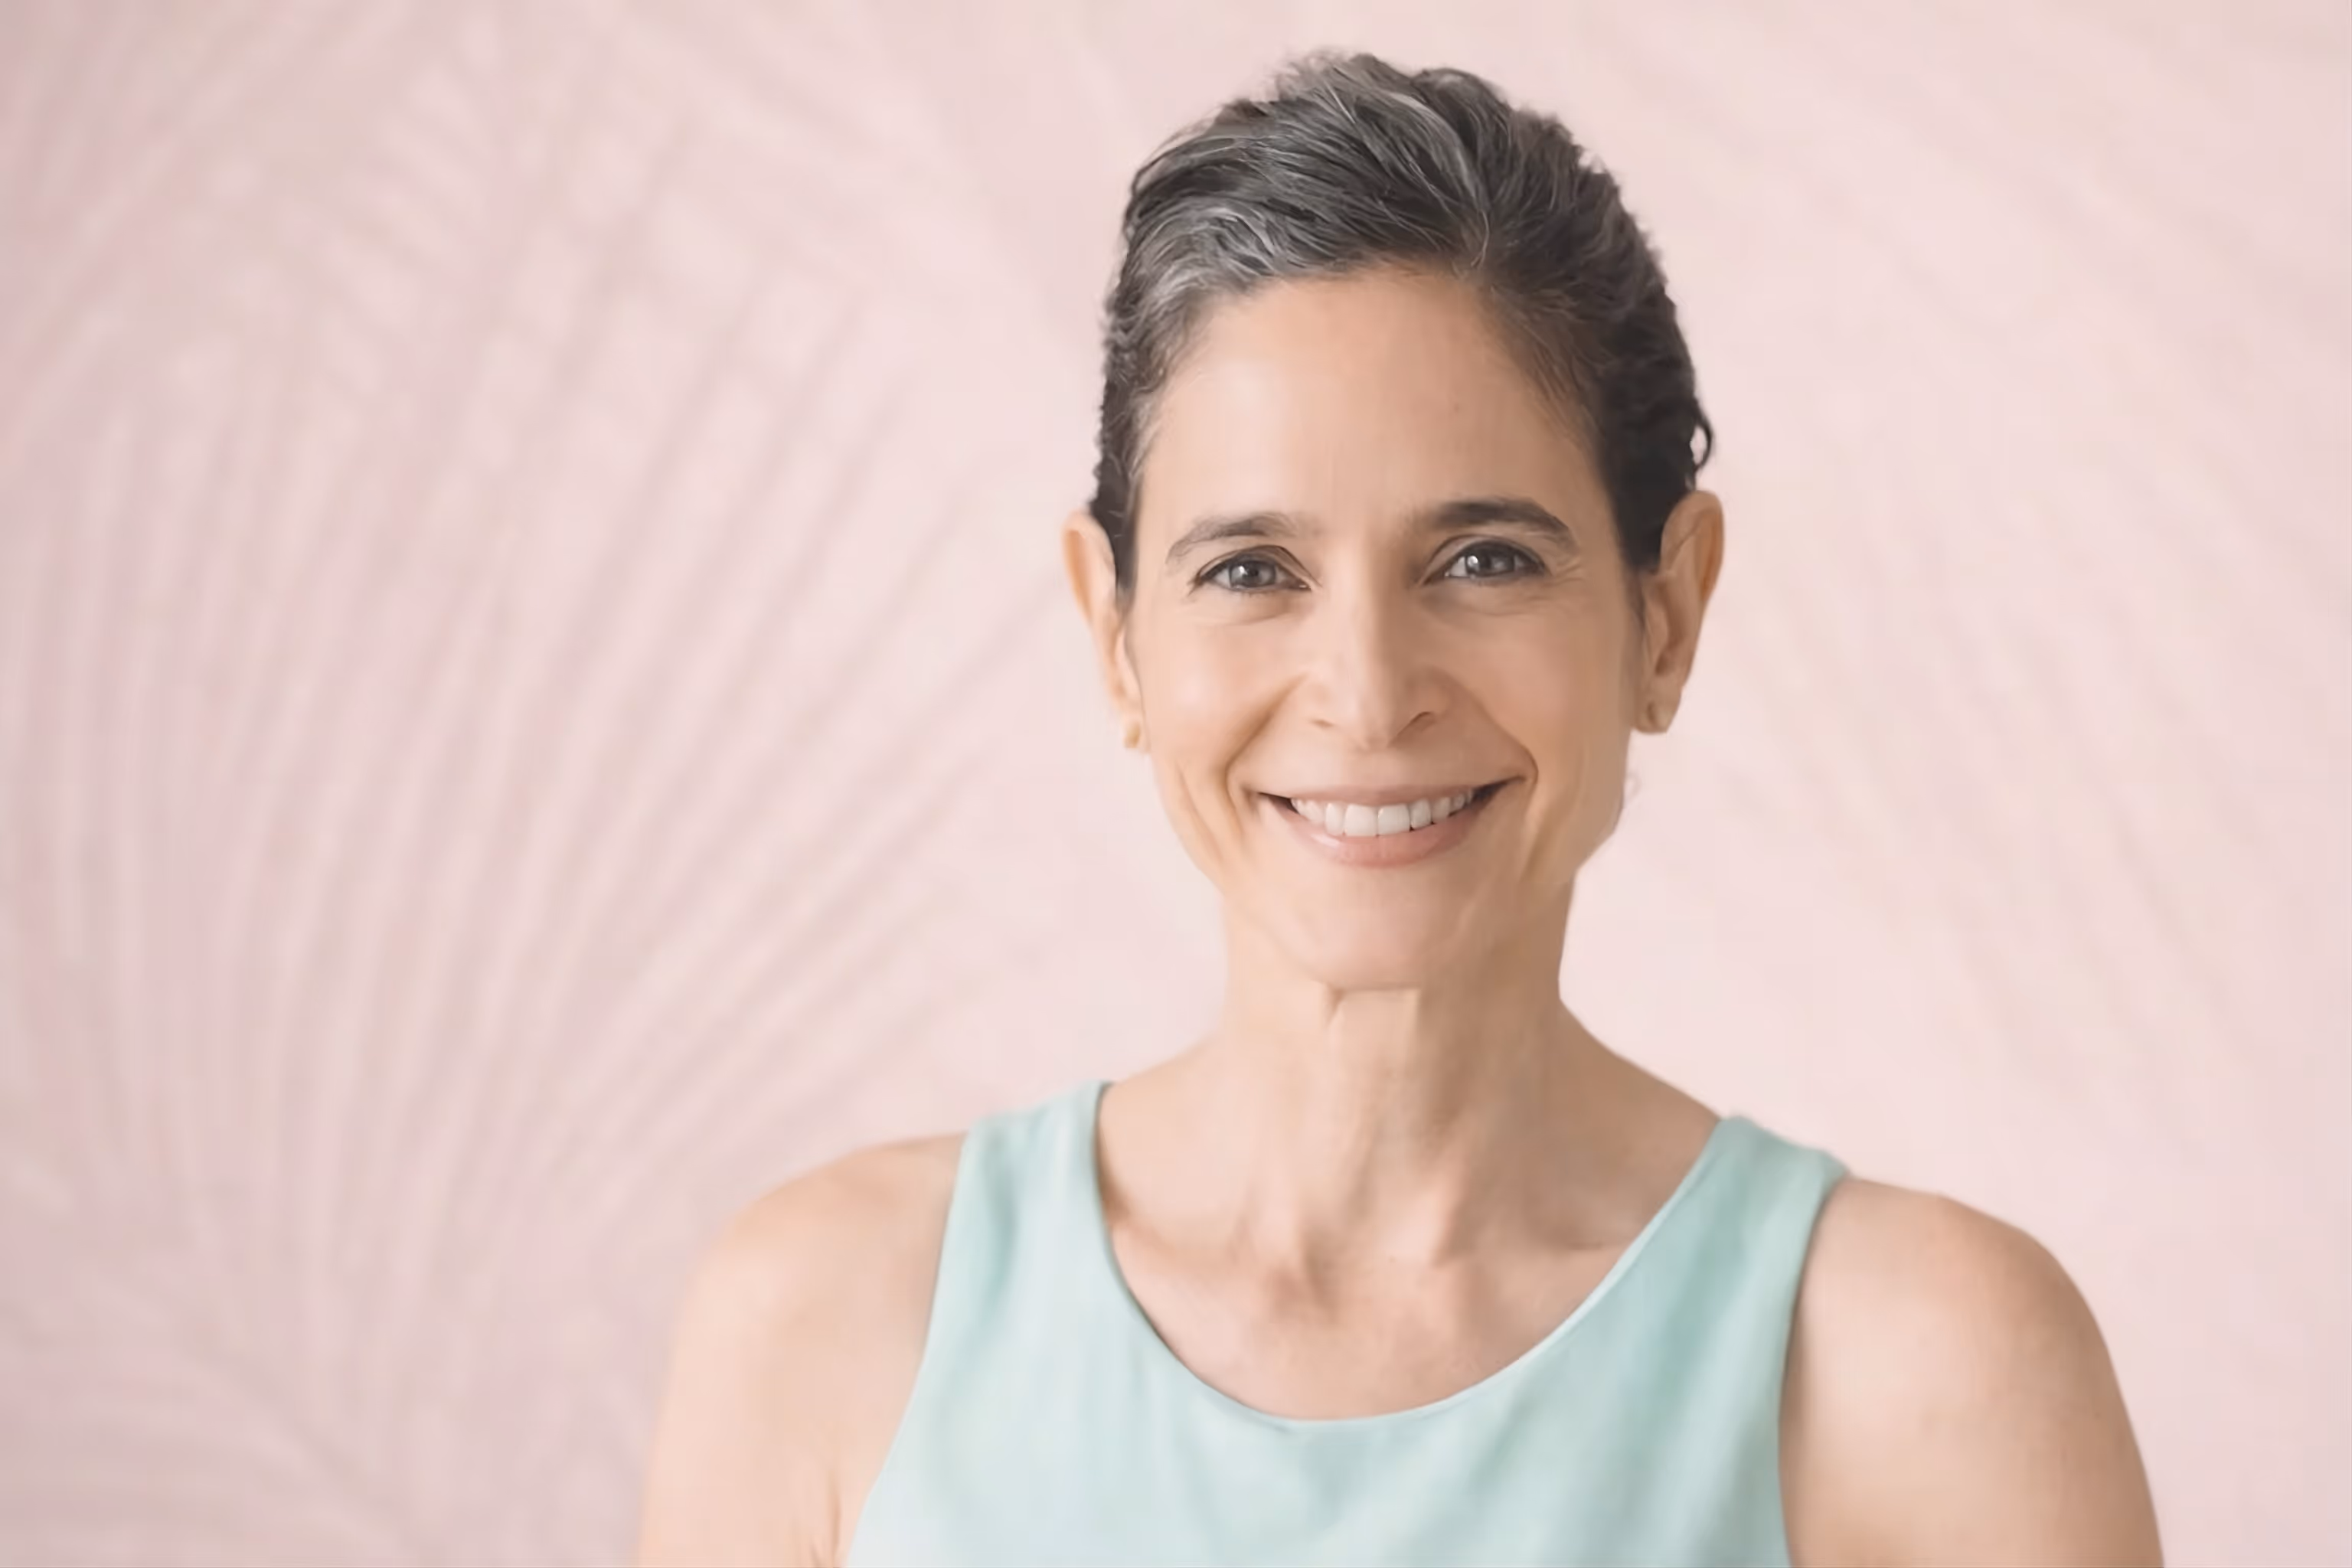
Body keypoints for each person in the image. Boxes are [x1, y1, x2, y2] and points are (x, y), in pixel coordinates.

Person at [634, 51, 2162, 1566]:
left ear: (1669, 614)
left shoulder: (1930, 1378)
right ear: (1116, 636)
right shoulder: (826, 1328)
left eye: (1485, 556)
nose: (1367, 694)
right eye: (1252, 570)